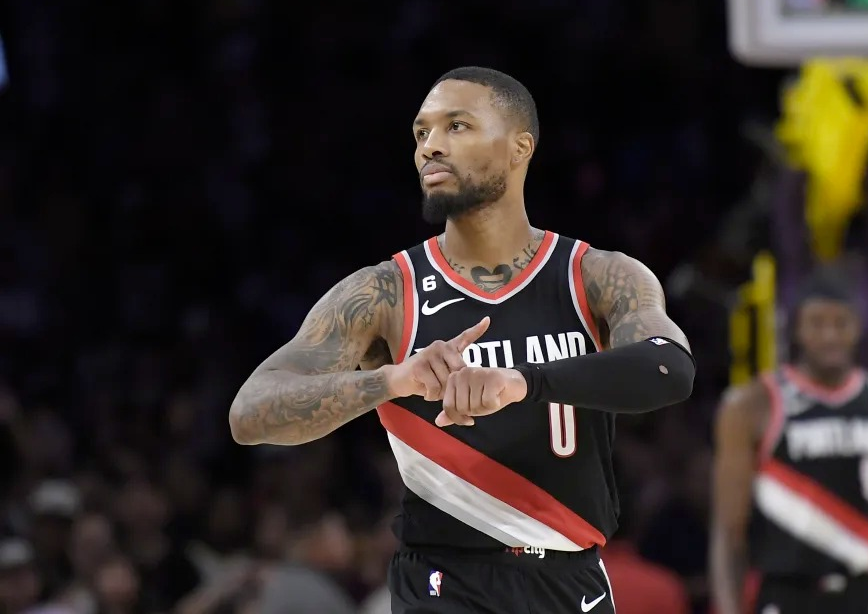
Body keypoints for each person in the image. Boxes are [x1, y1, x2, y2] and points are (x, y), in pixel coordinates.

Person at [229, 66, 696, 613]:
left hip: (571, 580)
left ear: (521, 147)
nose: (431, 147)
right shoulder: (386, 292)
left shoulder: (594, 275)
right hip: (443, 581)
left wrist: (523, 383)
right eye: (421, 133)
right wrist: (389, 380)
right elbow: (250, 413)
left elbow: (670, 369)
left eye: (457, 126)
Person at [709, 272, 868, 614]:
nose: (829, 334)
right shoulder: (752, 405)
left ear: (858, 326)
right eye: (817, 322)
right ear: (797, 329)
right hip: (790, 592)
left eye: (841, 323)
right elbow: (728, 532)